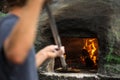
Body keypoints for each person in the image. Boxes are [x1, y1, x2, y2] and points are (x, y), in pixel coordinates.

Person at [0, 0, 65, 80]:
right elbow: (16, 55)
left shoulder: (12, 25)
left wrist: (44, 53)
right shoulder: (11, 24)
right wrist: (36, 3)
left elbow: (20, 69)